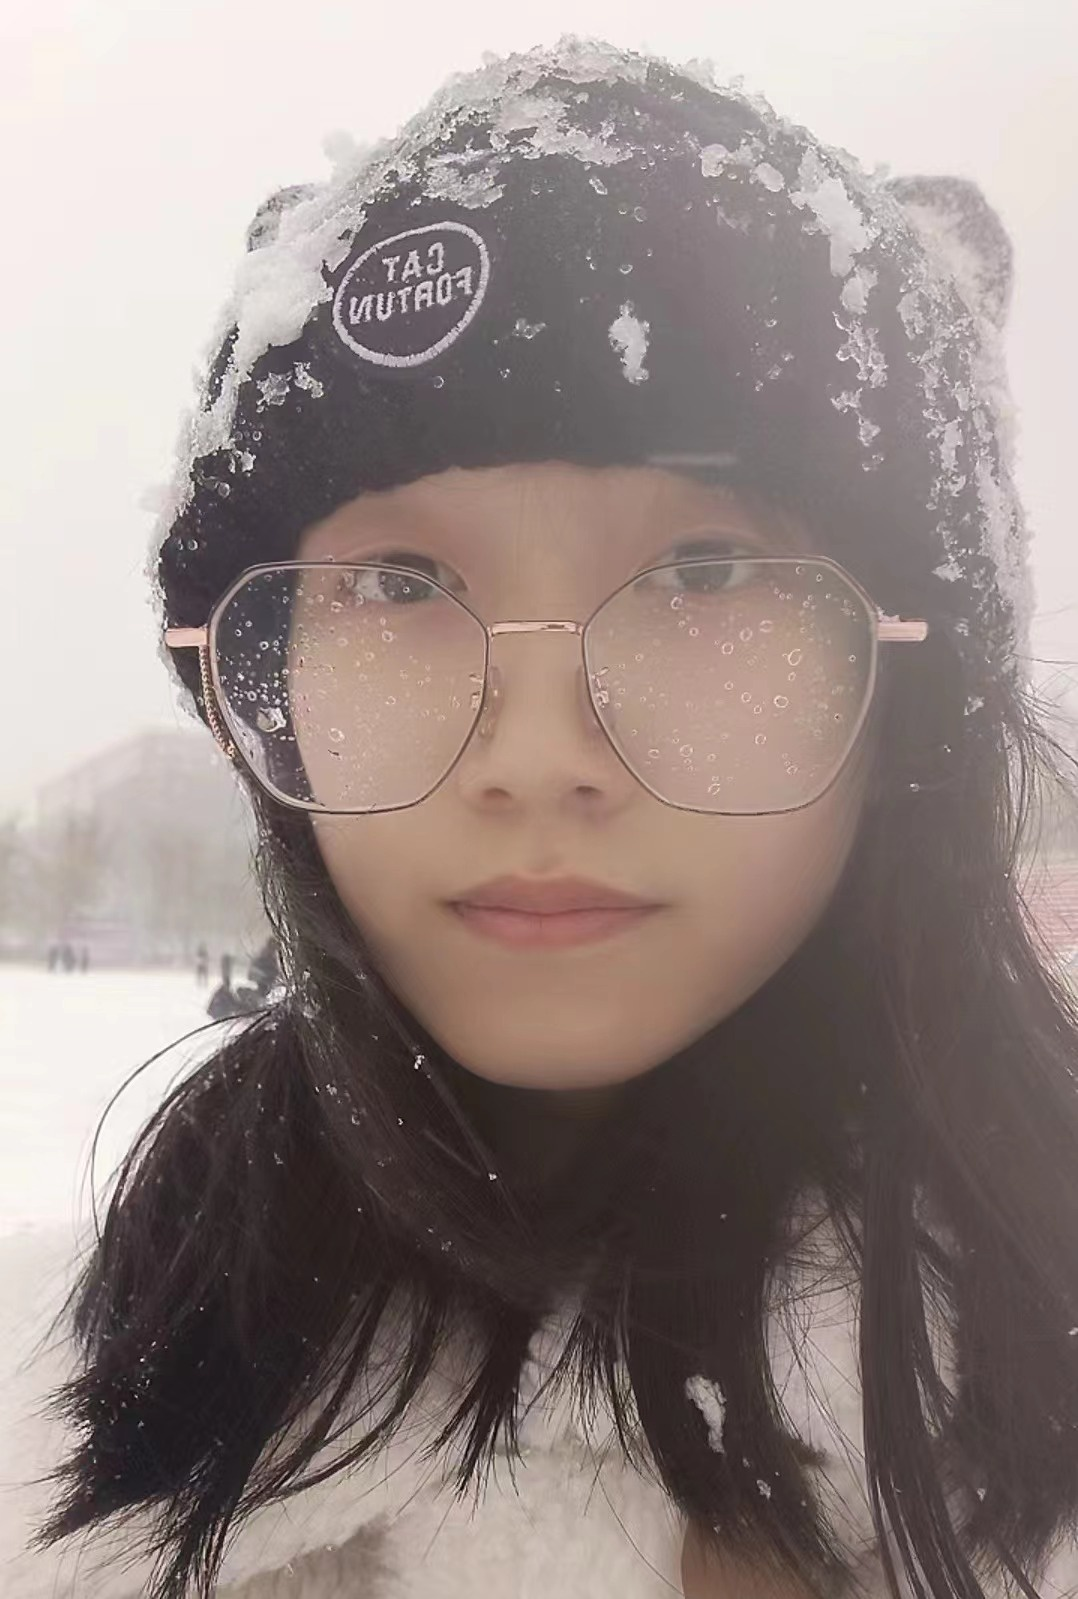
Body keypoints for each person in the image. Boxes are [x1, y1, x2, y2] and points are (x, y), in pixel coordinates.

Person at [14, 39, 1078, 1599]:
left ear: (907, 690)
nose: (530, 756)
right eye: (398, 582)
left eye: (705, 572)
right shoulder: (55, 1399)